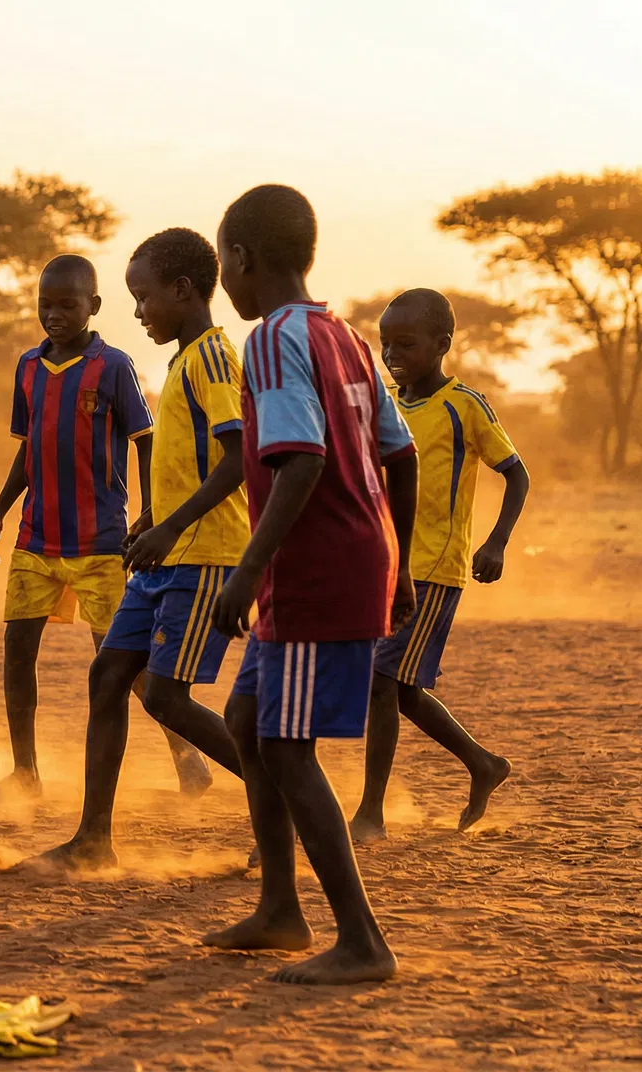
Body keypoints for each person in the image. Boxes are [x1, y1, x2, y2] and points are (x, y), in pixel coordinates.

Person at [203, 184, 417, 984]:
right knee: (250, 715)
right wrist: (393, 562)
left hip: (312, 563)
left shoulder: (270, 338)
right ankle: (279, 909)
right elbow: (401, 453)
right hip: (356, 554)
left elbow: (304, 458)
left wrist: (248, 571)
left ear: (240, 259)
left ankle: (362, 941)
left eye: (225, 259)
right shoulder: (346, 336)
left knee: (287, 750)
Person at [39, 229, 250, 872]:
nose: (137, 312)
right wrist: (154, 520)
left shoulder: (214, 359)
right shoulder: (183, 359)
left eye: (143, 297)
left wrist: (168, 526)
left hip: (206, 555)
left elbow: (239, 458)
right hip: (168, 553)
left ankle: (291, 795)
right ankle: (92, 841)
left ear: (183, 291)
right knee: (108, 677)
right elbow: (193, 462)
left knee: (165, 695)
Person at [0, 254, 211, 810]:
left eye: (67, 305)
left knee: (122, 663)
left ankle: (187, 758)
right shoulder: (28, 367)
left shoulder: (114, 368)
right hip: (36, 538)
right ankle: (25, 772)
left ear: (94, 307)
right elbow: (27, 450)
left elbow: (145, 441)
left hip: (102, 543)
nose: (54, 315)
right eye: (45, 305)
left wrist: (150, 512)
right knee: (16, 653)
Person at [349, 289, 525, 841]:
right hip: (383, 566)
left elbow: (516, 474)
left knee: (381, 681)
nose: (392, 355)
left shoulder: (464, 406)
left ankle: (370, 815)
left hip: (432, 569)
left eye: (406, 343)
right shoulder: (384, 404)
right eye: (385, 345)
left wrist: (495, 543)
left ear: (442, 344)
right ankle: (482, 763)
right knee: (399, 690)